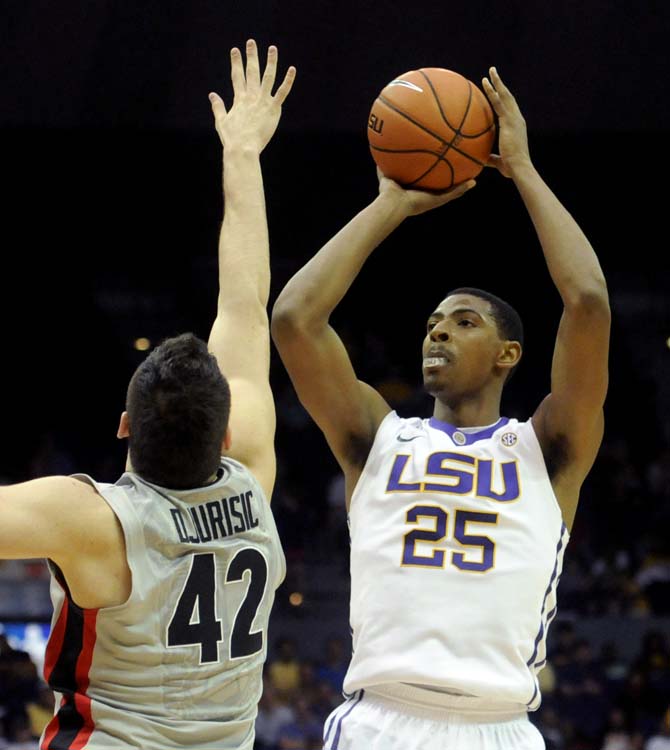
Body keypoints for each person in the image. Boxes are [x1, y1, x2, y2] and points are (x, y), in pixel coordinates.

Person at [271, 67, 610, 749]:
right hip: (379, 720)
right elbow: (294, 319)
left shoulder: (548, 448)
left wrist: (523, 171)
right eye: (432, 322)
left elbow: (588, 303)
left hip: (499, 726)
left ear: (509, 354)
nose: (438, 331)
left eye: (463, 322)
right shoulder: (376, 437)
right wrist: (389, 205)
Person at [0, 39, 295, 749]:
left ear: (126, 426)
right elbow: (246, 304)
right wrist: (244, 155)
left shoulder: (92, 521)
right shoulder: (251, 477)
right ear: (225, 437)